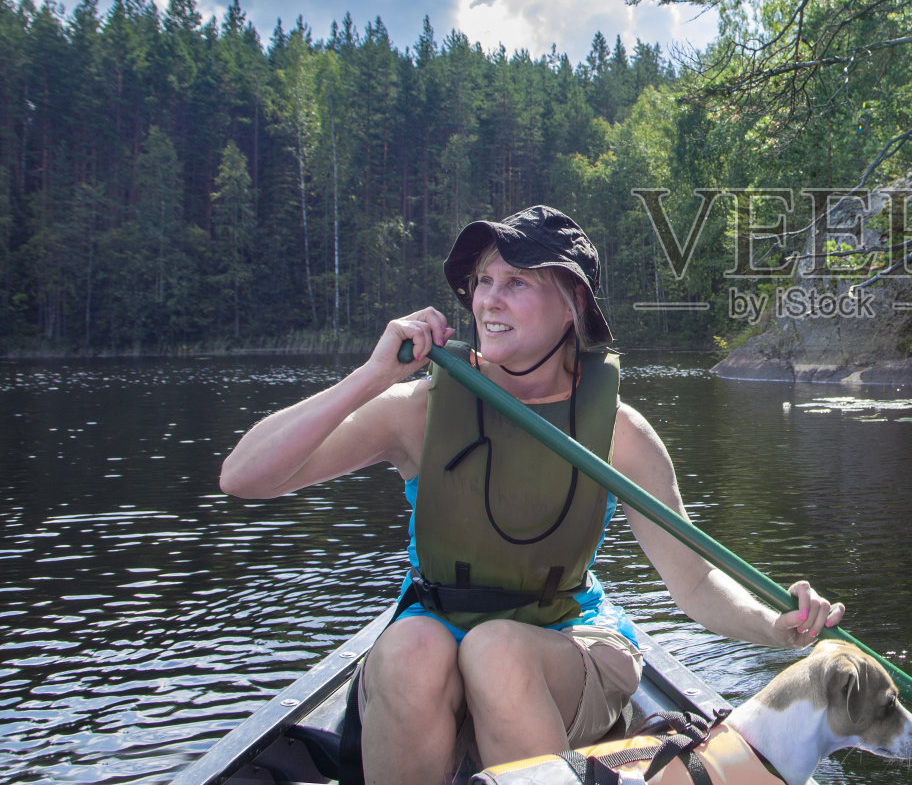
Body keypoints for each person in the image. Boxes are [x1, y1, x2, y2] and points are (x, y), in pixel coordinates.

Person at [220, 205, 845, 785]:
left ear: (573, 303)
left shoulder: (620, 432)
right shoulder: (417, 410)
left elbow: (695, 583)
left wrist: (776, 626)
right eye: (483, 281)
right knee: (410, 648)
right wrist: (372, 376)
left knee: (496, 653)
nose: (489, 298)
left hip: (568, 641)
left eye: (517, 282)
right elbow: (243, 476)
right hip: (436, 632)